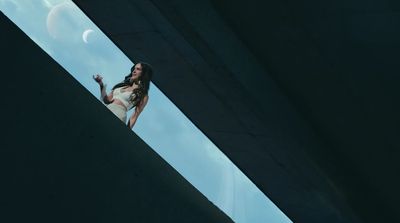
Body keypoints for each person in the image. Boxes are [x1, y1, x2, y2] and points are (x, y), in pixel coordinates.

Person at [93, 62, 153, 128]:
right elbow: (106, 100)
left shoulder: (144, 95)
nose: (134, 71)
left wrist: (126, 133)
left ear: (144, 73)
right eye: (134, 69)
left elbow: (135, 116)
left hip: (119, 114)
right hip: (107, 108)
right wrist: (101, 84)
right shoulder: (122, 84)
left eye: (138, 69)